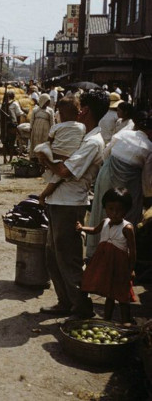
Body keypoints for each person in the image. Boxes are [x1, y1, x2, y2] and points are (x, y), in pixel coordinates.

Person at [36, 90, 109, 320]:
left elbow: (65, 170)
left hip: (70, 204)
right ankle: (65, 302)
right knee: (53, 256)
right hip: (58, 201)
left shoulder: (92, 142)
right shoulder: (83, 136)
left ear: (85, 111)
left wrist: (45, 157)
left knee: (68, 259)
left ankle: (81, 308)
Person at [86, 112, 152, 258]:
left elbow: (106, 153)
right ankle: (119, 254)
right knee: (126, 214)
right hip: (129, 182)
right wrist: (148, 197)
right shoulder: (149, 147)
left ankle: (94, 253)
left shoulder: (124, 134)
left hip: (107, 173)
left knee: (101, 209)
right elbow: (147, 179)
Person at [79, 188, 137, 323]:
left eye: (119, 210)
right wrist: (82, 228)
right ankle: (107, 321)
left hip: (120, 265)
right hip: (105, 263)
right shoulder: (105, 222)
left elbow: (133, 251)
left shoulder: (127, 228)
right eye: (111, 209)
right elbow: (94, 230)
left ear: (126, 210)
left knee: (122, 294)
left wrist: (131, 268)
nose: (115, 213)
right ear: (105, 207)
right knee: (109, 294)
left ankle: (125, 321)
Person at [29, 94, 55, 160]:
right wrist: (31, 128)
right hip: (36, 129)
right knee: (36, 142)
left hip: (45, 130)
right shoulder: (35, 110)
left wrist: (52, 131)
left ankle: (43, 158)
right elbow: (32, 119)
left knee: (44, 143)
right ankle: (35, 157)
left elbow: (52, 122)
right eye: (47, 101)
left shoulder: (50, 111)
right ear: (43, 101)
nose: (48, 103)